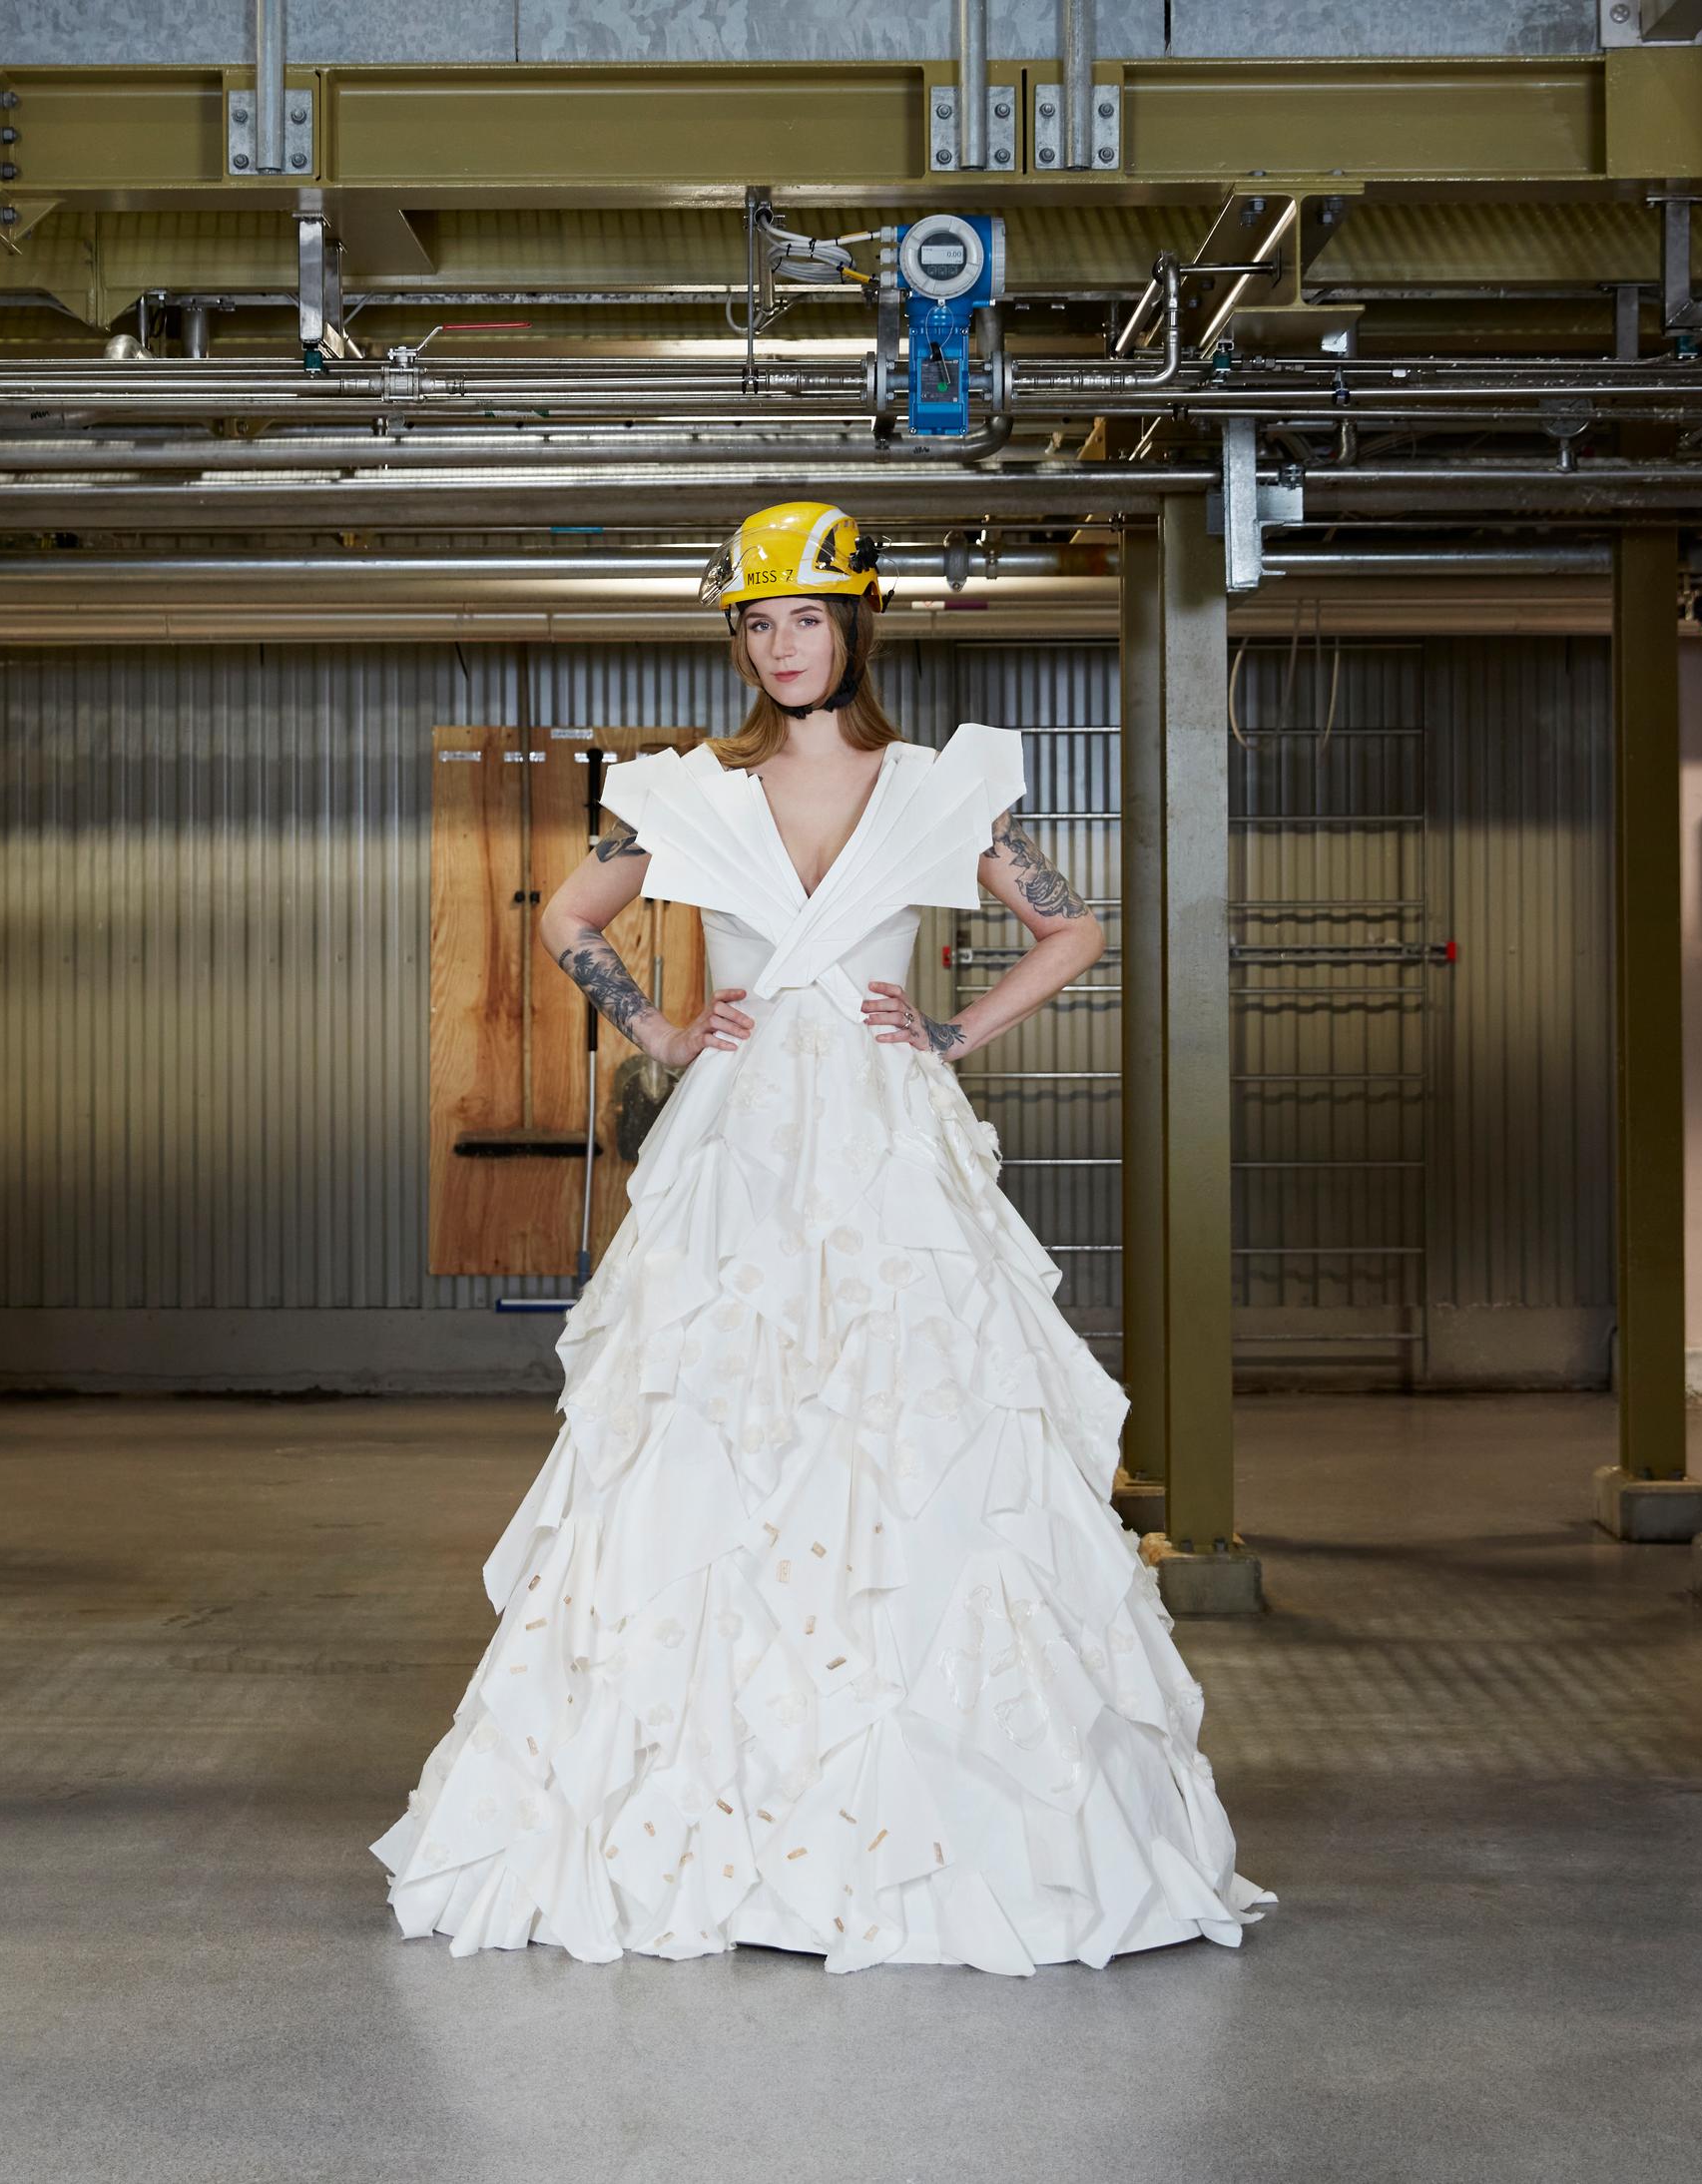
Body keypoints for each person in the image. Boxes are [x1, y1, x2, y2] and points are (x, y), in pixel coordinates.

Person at [369, 502, 1272, 1974]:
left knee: (918, 1430)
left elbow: (1076, 928)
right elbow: (566, 921)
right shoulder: (685, 791)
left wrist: (952, 1028)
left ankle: (920, 1806)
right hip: (736, 1142)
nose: (780, 645)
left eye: (803, 618)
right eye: (755, 622)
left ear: (856, 626)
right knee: (706, 1430)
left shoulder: (935, 786)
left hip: (884, 1137)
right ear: (737, 642)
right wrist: (661, 1026)